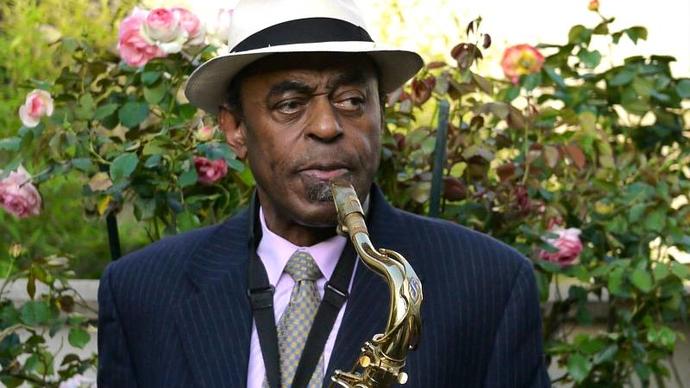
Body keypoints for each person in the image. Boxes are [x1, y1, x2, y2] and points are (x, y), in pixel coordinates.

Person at [97, 0, 551, 387]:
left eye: (352, 99)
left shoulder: (489, 284)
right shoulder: (141, 292)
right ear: (234, 129)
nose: (328, 126)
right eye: (290, 104)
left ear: (381, 111)